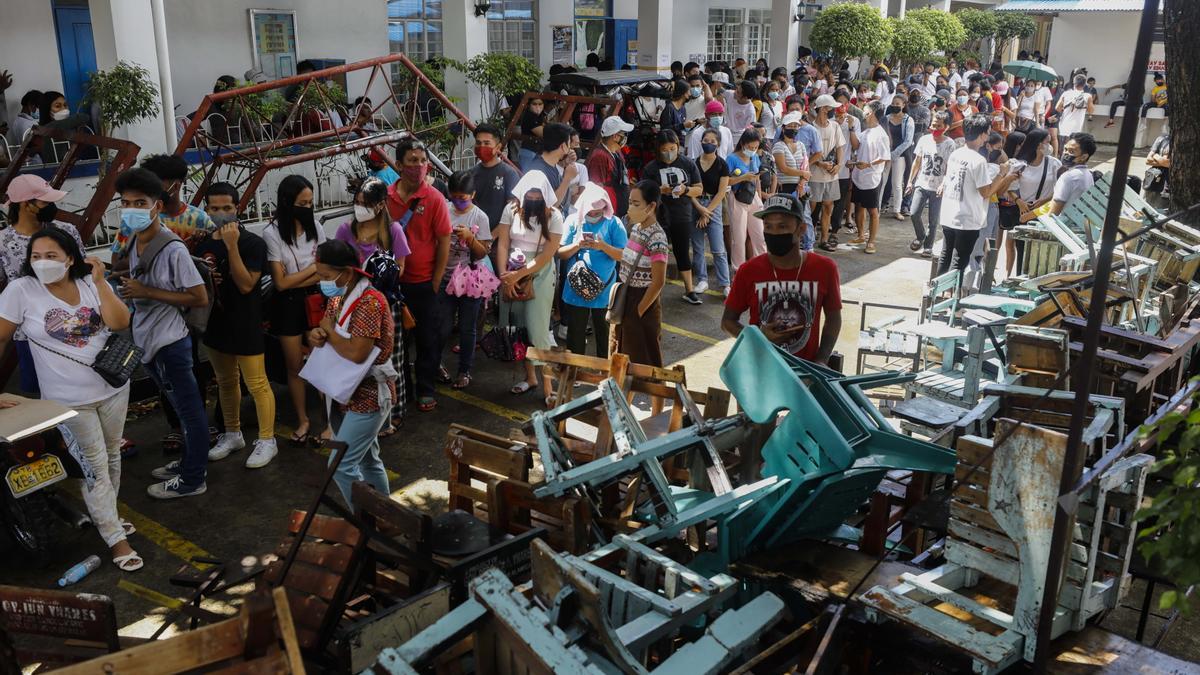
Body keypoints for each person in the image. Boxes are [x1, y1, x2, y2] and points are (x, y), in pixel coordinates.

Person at [0, 229, 142, 570]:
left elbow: (120, 321)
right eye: (36, 257)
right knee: (93, 466)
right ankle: (115, 539)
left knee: (110, 458)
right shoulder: (21, 290)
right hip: (67, 401)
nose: (42, 263)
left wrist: (103, 283)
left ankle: (108, 516)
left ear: (71, 258)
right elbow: (2, 337)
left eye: (51, 256)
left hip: (113, 388)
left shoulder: (90, 283)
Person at [113, 168, 212, 499]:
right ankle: (188, 462)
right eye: (126, 202)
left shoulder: (172, 248)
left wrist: (148, 291)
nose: (132, 209)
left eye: (140, 202)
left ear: (157, 205)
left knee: (190, 411)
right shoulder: (135, 241)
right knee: (178, 406)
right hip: (148, 340)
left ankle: (193, 478)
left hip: (170, 342)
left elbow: (198, 296)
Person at [307, 240, 397, 509]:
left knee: (341, 464)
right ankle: (385, 517)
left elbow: (357, 352)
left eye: (325, 276)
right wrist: (318, 335)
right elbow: (330, 334)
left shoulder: (370, 302)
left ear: (346, 272)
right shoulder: (340, 297)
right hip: (349, 392)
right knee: (368, 460)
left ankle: (367, 523)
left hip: (369, 396)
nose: (322, 281)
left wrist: (329, 332)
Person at [197, 182, 277, 468]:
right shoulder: (203, 243)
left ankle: (267, 439)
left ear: (237, 208)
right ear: (206, 209)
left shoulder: (251, 243)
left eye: (227, 208)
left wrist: (231, 246)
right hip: (215, 324)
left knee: (257, 383)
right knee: (226, 382)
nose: (221, 214)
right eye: (214, 208)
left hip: (245, 324)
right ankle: (232, 433)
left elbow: (245, 285)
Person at [722, 193, 842, 364]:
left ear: (801, 229)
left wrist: (821, 359)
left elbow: (833, 317)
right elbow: (727, 321)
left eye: (782, 227)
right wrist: (756, 337)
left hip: (806, 370)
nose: (774, 233)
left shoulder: (825, 268)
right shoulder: (748, 271)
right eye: (768, 227)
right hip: (761, 368)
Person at [336, 177, 411, 427]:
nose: (359, 208)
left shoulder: (393, 231)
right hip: (353, 306)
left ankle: (391, 414)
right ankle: (359, 410)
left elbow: (401, 267)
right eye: (357, 202)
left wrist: (382, 275)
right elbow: (338, 266)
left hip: (386, 306)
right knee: (356, 359)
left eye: (365, 203)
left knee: (390, 358)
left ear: (380, 205)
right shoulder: (346, 230)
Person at [0, 175, 85, 395]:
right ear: (25, 205)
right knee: (38, 394)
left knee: (77, 388)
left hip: (73, 326)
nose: (52, 207)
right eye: (45, 202)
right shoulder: (3, 242)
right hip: (30, 333)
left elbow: (83, 275)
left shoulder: (66, 232)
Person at [386, 138, 451, 413]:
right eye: (413, 161)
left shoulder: (434, 198)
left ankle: (425, 388)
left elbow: (444, 242)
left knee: (428, 339)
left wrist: (435, 281)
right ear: (399, 165)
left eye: (423, 161)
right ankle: (403, 391)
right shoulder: (385, 197)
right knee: (396, 342)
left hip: (424, 283)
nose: (420, 166)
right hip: (393, 284)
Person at [262, 175, 325, 445]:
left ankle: (330, 421)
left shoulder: (316, 228)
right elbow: (280, 282)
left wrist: (307, 274)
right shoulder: (272, 233)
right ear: (287, 202)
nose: (308, 208)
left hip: (315, 300)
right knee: (294, 366)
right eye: (302, 203)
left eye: (310, 203)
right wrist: (313, 269)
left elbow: (325, 271)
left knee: (322, 364)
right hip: (286, 306)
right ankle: (303, 420)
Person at [495, 171, 564, 400]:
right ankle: (531, 377)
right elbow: (503, 243)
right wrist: (504, 275)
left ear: (545, 195)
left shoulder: (555, 216)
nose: (533, 198)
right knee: (518, 327)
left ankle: (548, 386)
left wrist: (518, 275)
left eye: (537, 195)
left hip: (540, 273)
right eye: (529, 194)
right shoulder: (510, 210)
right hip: (511, 270)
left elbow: (547, 254)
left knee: (537, 327)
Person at [937, 115, 1019, 280]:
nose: (987, 137)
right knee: (958, 260)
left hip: (949, 214)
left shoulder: (957, 153)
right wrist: (1002, 175)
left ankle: (937, 293)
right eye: (987, 133)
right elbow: (986, 193)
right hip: (967, 219)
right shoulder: (978, 161)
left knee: (946, 256)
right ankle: (949, 297)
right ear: (982, 134)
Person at [557, 183, 626, 358]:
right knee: (575, 334)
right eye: (590, 213)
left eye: (598, 212)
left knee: (605, 335)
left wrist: (603, 246)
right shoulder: (573, 221)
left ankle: (605, 372)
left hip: (605, 290)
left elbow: (623, 256)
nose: (594, 216)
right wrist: (577, 244)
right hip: (576, 289)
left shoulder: (614, 223)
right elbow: (561, 253)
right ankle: (575, 372)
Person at [611, 180, 668, 379]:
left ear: (651, 206)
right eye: (630, 203)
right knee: (623, 359)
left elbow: (659, 281)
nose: (630, 209)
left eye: (636, 204)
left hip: (643, 300)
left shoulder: (657, 238)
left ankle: (657, 407)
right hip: (627, 297)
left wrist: (639, 310)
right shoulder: (636, 228)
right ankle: (620, 404)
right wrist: (601, 246)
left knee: (648, 363)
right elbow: (627, 255)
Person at [439, 171, 492, 389]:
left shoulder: (480, 217)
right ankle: (436, 364)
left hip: (470, 278)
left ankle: (464, 370)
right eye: (455, 197)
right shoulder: (443, 209)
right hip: (444, 276)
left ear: (473, 194)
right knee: (441, 326)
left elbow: (482, 253)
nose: (459, 202)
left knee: (467, 327)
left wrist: (470, 239)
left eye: (464, 198)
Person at [641, 130, 703, 304]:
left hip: (682, 214)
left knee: (682, 251)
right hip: (658, 216)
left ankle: (689, 290)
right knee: (655, 254)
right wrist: (660, 190)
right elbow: (642, 192)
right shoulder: (651, 168)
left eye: (672, 148)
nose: (669, 152)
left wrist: (686, 190)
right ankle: (652, 290)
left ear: (678, 146)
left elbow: (699, 188)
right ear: (658, 150)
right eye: (664, 149)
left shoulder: (688, 164)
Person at [1002, 129, 1060, 275]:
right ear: (1038, 144)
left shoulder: (1054, 164)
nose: (1050, 145)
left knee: (1042, 251)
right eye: (1047, 142)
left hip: (1044, 213)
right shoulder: (1020, 164)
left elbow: (1060, 190)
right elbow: (1010, 188)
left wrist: (1045, 200)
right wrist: (1019, 201)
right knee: (1022, 249)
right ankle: (1020, 277)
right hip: (1023, 213)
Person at [907, 111, 956, 257]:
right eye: (933, 125)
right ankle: (921, 236)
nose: (935, 128)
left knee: (933, 220)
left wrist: (944, 184)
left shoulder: (950, 144)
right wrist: (910, 181)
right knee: (914, 213)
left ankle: (928, 246)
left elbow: (949, 167)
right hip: (922, 183)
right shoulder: (924, 140)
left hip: (938, 187)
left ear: (946, 127)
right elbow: (917, 161)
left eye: (939, 126)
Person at [692, 128, 732, 296]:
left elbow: (722, 192)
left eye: (712, 141)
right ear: (701, 142)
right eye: (705, 140)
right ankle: (702, 280)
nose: (708, 144)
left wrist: (706, 212)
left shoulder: (722, 164)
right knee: (698, 247)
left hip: (713, 206)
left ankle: (725, 284)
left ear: (718, 144)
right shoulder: (693, 163)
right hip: (694, 205)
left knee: (718, 248)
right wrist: (699, 209)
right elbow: (689, 190)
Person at [848, 101, 891, 255]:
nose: (863, 110)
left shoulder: (881, 134)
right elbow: (856, 145)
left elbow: (885, 157)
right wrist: (851, 128)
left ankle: (871, 241)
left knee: (873, 211)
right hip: (859, 176)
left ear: (872, 112)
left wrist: (868, 164)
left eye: (866, 108)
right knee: (859, 206)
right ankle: (861, 235)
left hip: (872, 177)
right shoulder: (866, 132)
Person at [808, 95, 845, 252]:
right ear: (823, 109)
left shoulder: (835, 126)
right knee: (810, 207)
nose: (834, 111)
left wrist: (839, 165)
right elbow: (807, 153)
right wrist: (819, 163)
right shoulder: (810, 128)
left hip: (831, 174)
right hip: (815, 174)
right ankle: (808, 238)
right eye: (831, 108)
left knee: (828, 206)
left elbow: (840, 147)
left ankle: (824, 239)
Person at [469, 123, 521, 231]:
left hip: (498, 239)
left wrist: (492, 238)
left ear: (498, 147)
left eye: (487, 143)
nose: (482, 147)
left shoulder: (509, 174)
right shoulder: (471, 174)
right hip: (473, 237)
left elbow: (512, 213)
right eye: (478, 143)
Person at [586, 116, 633, 218]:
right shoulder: (599, 156)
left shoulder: (617, 152)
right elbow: (596, 188)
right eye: (623, 134)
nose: (625, 137)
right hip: (609, 213)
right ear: (615, 136)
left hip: (621, 206)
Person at [830, 93, 861, 245]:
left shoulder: (853, 120)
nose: (841, 107)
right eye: (838, 103)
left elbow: (856, 145)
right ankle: (823, 227)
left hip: (843, 168)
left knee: (840, 200)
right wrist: (835, 123)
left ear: (848, 104)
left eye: (844, 104)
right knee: (826, 200)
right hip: (828, 167)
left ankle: (834, 230)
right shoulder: (828, 120)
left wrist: (851, 128)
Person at [880, 98, 914, 221]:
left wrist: (893, 154)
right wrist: (886, 154)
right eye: (893, 103)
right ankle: (877, 209)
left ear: (904, 105)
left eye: (897, 104)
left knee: (897, 184)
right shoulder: (886, 119)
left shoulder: (908, 120)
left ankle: (897, 210)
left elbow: (908, 141)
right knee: (882, 182)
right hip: (885, 155)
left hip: (900, 155)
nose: (895, 106)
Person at [528, 122, 576, 207]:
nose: (570, 148)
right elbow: (549, 206)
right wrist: (567, 179)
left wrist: (564, 163)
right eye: (569, 143)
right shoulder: (538, 170)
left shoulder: (550, 164)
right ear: (563, 146)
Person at [1051, 133, 1097, 214]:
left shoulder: (1068, 177)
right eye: (1065, 149)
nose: (1065, 153)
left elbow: (1054, 212)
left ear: (1084, 157)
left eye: (1071, 151)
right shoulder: (1088, 174)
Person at [1144, 126, 1171, 211]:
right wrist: (1162, 160)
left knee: (1161, 210)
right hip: (1152, 179)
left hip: (1166, 183)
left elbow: (1168, 164)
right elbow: (1148, 160)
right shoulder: (1161, 138)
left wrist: (1155, 156)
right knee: (1146, 207)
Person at [517, 95, 548, 169]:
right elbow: (544, 133)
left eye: (540, 104)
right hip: (529, 151)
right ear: (529, 105)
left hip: (536, 151)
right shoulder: (530, 116)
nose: (538, 106)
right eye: (534, 104)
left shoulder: (540, 116)